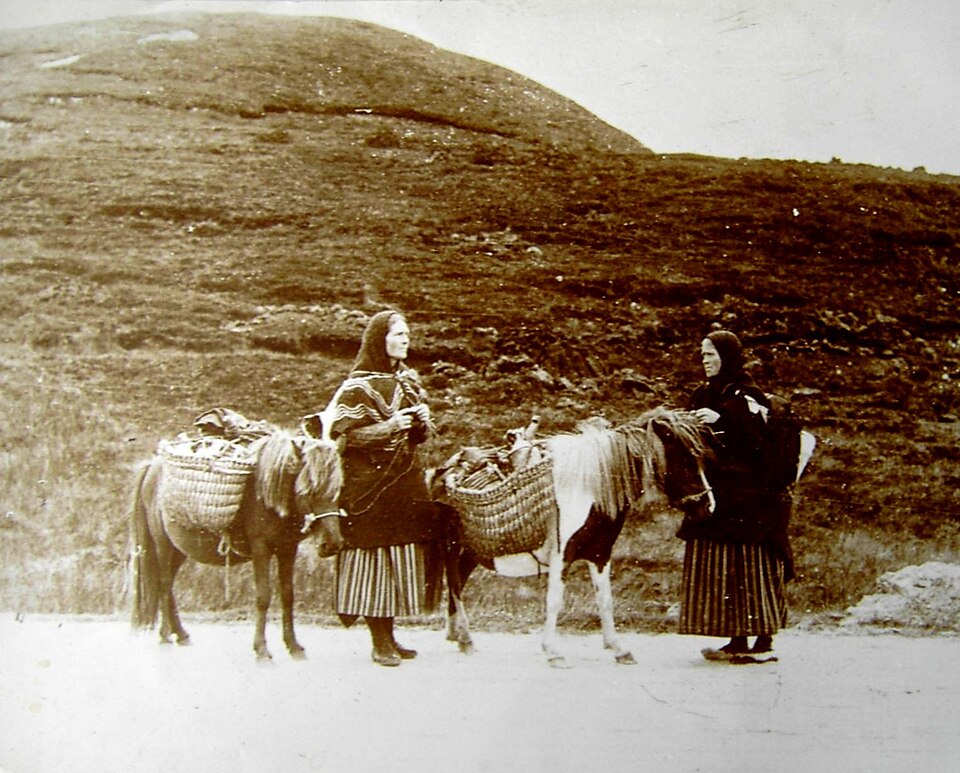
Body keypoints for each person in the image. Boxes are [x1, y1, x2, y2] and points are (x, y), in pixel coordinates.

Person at [325, 310, 440, 666]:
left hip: (403, 485)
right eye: (398, 334)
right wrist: (390, 426)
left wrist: (421, 424)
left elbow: (418, 438)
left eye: (407, 334)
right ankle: (379, 642)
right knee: (373, 561)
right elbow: (343, 437)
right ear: (379, 340)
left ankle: (390, 636)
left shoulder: (407, 382)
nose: (406, 340)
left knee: (397, 558)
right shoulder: (356, 387)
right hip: (367, 487)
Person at [677, 330, 793, 663]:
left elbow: (758, 445)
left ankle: (763, 640)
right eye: (702, 355)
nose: (704, 360)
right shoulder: (703, 393)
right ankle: (737, 638)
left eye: (710, 354)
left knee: (751, 564)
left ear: (727, 357)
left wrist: (723, 419)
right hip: (720, 495)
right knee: (727, 566)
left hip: (751, 499)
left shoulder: (747, 394)